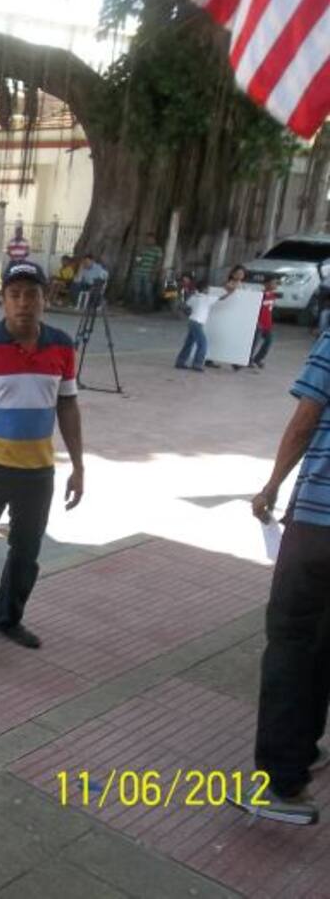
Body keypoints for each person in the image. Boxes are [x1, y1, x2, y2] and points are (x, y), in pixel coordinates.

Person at [0, 260, 84, 680]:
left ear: (46, 299)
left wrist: (79, 466)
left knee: (27, 555)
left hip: (38, 471)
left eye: (32, 294)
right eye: (15, 294)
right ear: (3, 300)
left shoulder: (61, 346)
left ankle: (6, 616)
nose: (24, 302)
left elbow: (67, 405)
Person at [246, 334, 330, 825]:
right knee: (323, 642)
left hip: (320, 525)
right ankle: (304, 747)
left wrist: (271, 485)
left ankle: (281, 781)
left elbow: (305, 420)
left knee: (291, 642)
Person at [174, 268, 241, 371]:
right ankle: (197, 364)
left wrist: (190, 314)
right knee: (203, 344)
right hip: (197, 323)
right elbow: (222, 298)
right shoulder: (207, 298)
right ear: (205, 289)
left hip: (192, 321)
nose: (209, 290)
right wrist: (231, 292)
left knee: (189, 343)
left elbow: (184, 307)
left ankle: (180, 362)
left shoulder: (195, 297)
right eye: (208, 288)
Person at [250, 276, 280, 370]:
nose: (275, 285)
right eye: (273, 283)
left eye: (276, 283)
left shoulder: (273, 295)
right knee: (254, 342)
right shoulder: (260, 295)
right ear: (266, 284)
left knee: (268, 341)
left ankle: (257, 359)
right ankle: (248, 359)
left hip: (267, 323)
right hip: (259, 322)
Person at [130, 232, 163, 312]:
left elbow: (158, 262)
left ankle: (149, 307)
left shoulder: (157, 249)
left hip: (149, 273)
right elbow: (138, 259)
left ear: (154, 240)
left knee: (147, 291)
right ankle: (136, 307)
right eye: (147, 239)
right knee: (137, 290)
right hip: (138, 272)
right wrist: (137, 261)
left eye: (151, 239)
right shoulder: (143, 248)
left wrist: (154, 273)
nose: (149, 241)